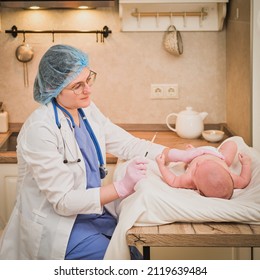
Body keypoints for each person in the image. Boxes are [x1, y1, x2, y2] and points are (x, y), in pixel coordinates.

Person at [0, 45, 223, 260]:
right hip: (60, 229)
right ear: (55, 88)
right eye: (77, 85)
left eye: (88, 79)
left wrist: (180, 155)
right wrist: (122, 187)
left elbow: (128, 144)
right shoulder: (40, 129)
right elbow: (64, 201)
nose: (88, 89)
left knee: (133, 255)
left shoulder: (84, 108)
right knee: (117, 260)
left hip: (93, 215)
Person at [156, 140, 252, 199]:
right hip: (218, 156)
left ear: (199, 190)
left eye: (196, 168)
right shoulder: (230, 177)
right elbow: (244, 180)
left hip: (195, 155)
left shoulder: (190, 179)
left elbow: (173, 181)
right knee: (231, 145)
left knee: (188, 155)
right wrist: (246, 163)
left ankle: (191, 150)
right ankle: (192, 151)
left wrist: (161, 166)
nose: (199, 164)